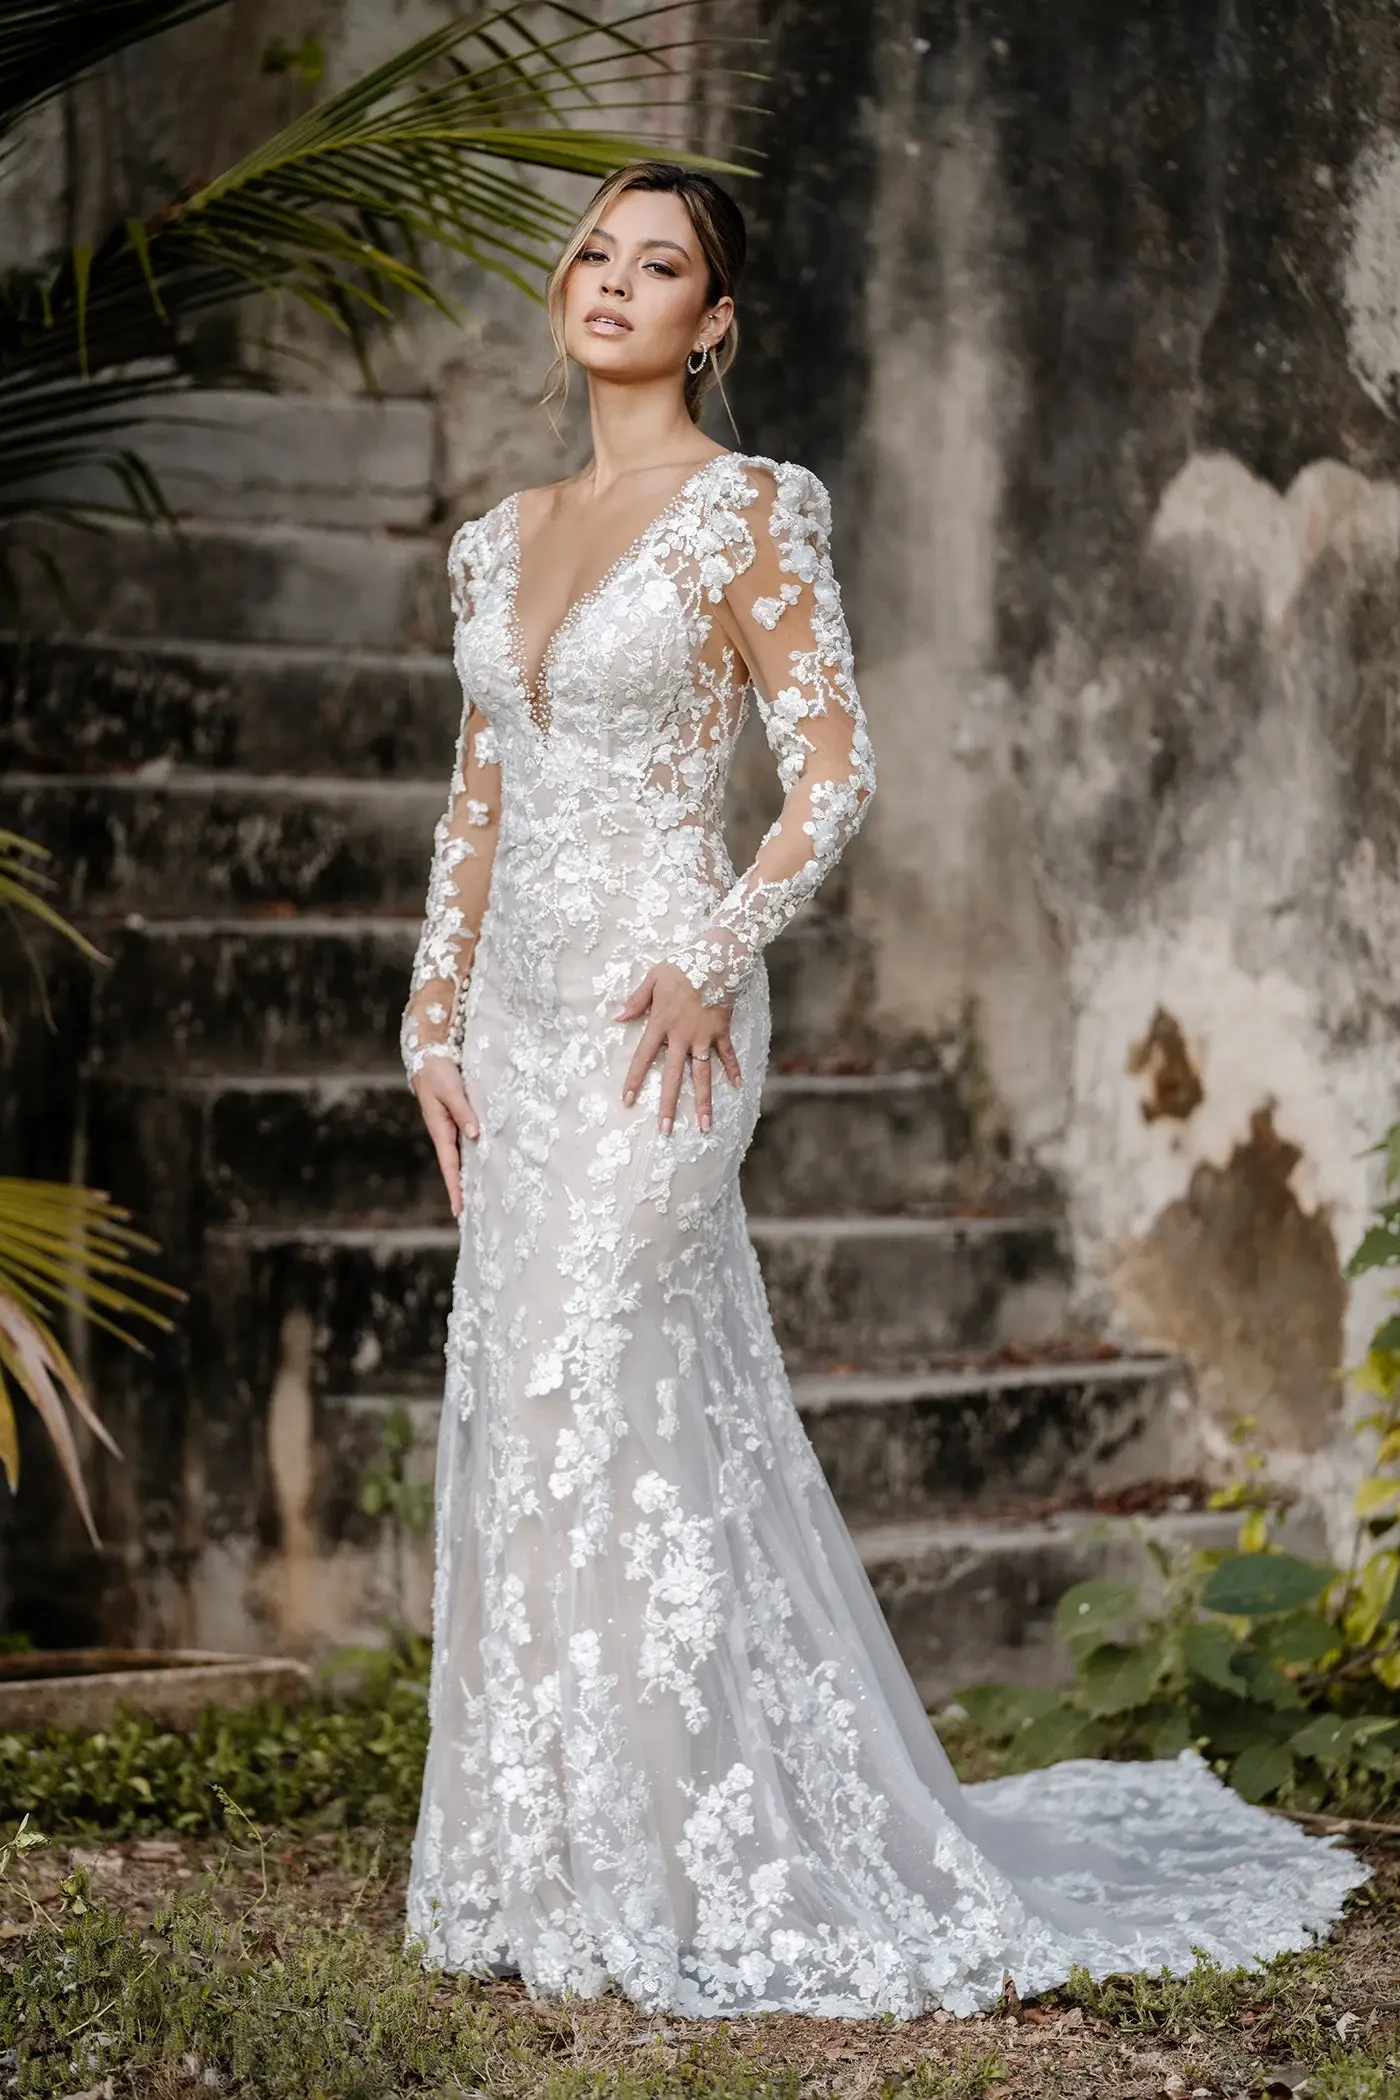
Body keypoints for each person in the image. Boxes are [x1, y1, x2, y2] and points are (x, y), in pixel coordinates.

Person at [399, 160, 1365, 2019]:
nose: (611, 281)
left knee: (601, 1380)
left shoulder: (753, 505)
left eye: (658, 264)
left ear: (714, 320)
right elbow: (481, 793)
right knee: (530, 1407)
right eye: (594, 252)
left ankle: (691, 1860)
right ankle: (552, 1850)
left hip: (665, 1016)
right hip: (515, 1030)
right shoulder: (494, 539)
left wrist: (715, 954)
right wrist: (429, 1017)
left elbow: (832, 771)